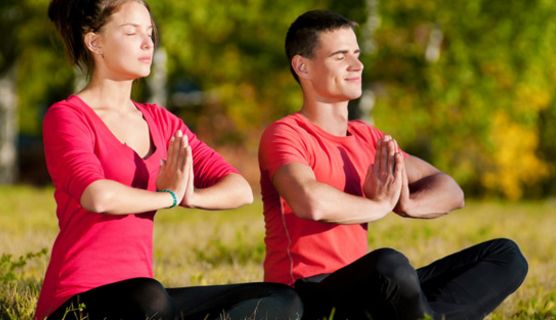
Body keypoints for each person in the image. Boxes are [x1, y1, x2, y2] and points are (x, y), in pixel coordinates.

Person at [36, 1, 303, 319]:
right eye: (131, 32)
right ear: (95, 42)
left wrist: (190, 196)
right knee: (149, 296)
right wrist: (168, 196)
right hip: (78, 300)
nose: (147, 42)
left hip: (148, 301)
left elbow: (239, 189)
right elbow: (97, 196)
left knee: (281, 298)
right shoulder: (68, 116)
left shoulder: (161, 122)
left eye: (150, 32)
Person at [259, 9, 528, 320]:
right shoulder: (285, 133)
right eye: (340, 56)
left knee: (504, 255)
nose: (357, 65)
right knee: (390, 265)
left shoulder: (366, 137)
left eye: (357, 54)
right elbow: (309, 201)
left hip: (368, 291)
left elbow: (451, 190)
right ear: (302, 66)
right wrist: (380, 204)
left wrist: (408, 203)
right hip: (309, 297)